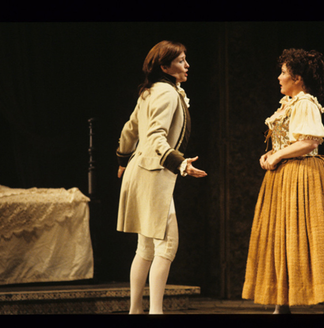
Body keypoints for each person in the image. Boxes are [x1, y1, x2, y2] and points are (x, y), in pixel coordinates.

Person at [242, 48, 324, 314]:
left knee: (312, 237)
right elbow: (291, 141)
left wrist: (277, 158)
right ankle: (281, 305)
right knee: (283, 236)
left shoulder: (305, 103)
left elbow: (310, 141)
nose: (279, 77)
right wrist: (271, 154)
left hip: (305, 176)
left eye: (283, 72)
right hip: (287, 177)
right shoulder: (289, 104)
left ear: (297, 78)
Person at [116, 40, 207, 315]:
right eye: (180, 61)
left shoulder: (148, 91)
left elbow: (130, 129)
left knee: (145, 247)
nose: (187, 65)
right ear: (164, 67)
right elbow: (155, 135)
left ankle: (135, 310)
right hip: (153, 172)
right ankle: (156, 312)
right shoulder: (167, 93)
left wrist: (122, 161)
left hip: (139, 169)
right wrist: (180, 164)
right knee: (166, 245)